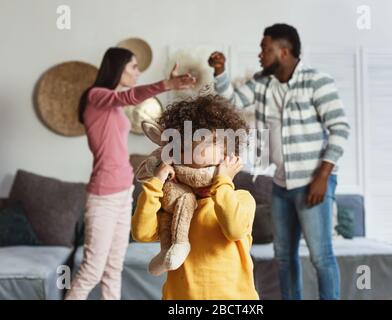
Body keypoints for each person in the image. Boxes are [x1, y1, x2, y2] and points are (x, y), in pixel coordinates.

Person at [208, 24, 350, 300]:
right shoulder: (262, 85)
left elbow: (340, 128)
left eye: (265, 48)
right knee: (283, 257)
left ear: (284, 52)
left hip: (313, 183)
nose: (260, 54)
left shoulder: (316, 81)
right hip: (281, 184)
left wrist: (322, 177)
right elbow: (231, 102)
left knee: (321, 257)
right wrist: (220, 72)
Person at [65, 47, 196, 300]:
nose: (137, 72)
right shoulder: (96, 96)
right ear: (117, 67)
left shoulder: (110, 104)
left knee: (114, 269)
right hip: (103, 196)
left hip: (124, 191)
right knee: (93, 270)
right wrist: (166, 83)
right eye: (134, 67)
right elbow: (128, 98)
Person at [131, 95, 259, 299]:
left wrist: (223, 180)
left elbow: (233, 229)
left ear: (228, 155)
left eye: (208, 141)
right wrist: (156, 182)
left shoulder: (242, 199)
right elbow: (141, 233)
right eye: (190, 144)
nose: (197, 148)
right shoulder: (174, 202)